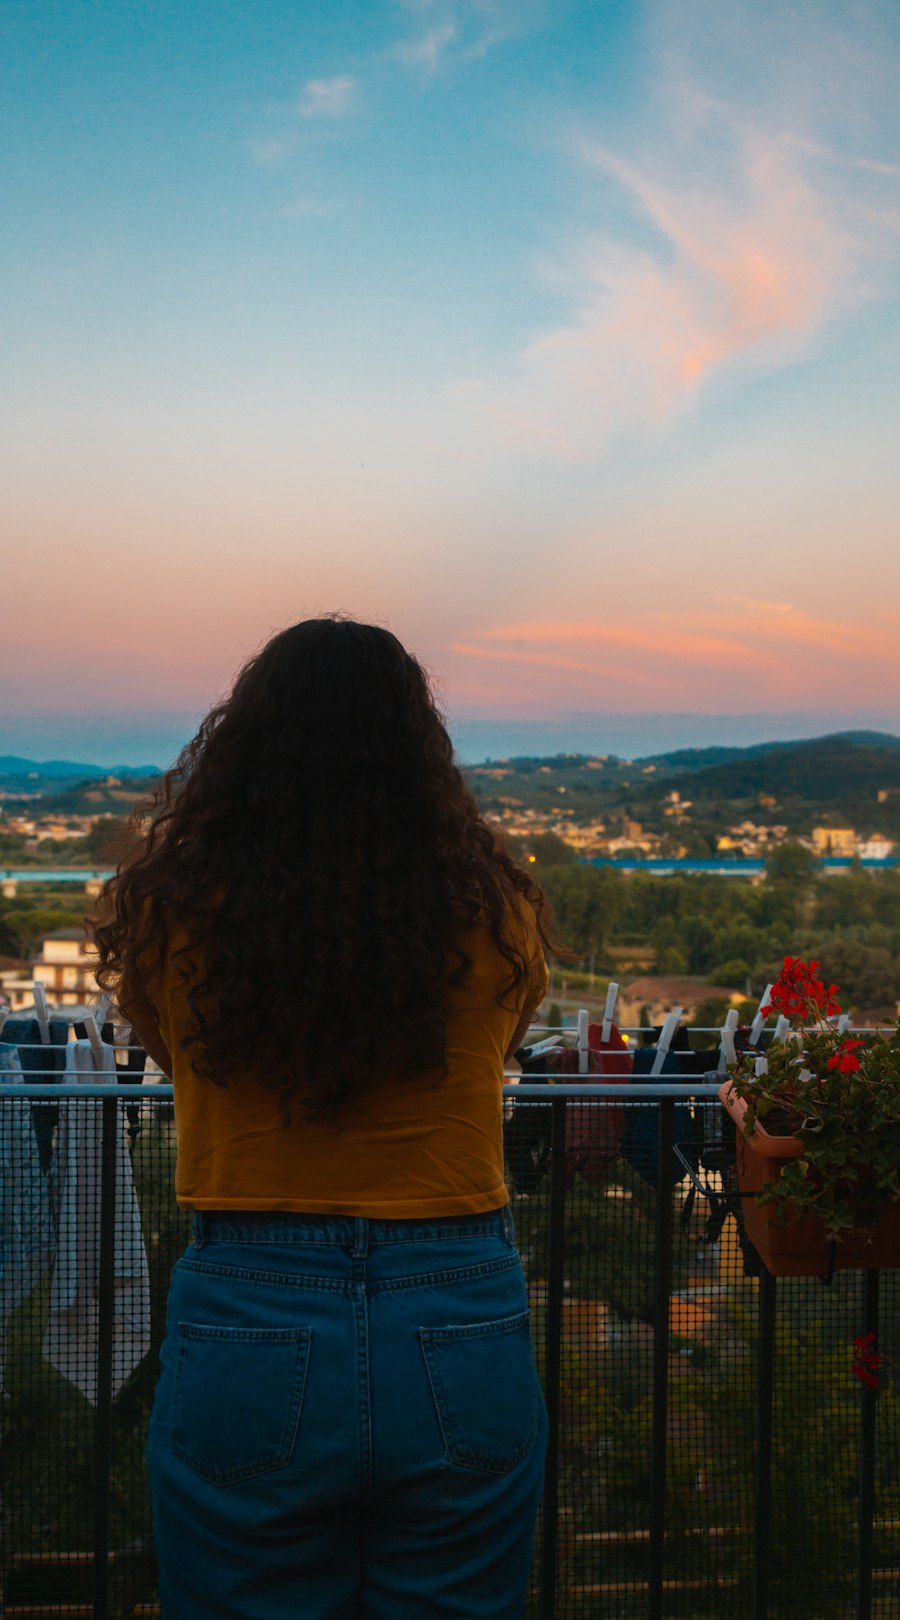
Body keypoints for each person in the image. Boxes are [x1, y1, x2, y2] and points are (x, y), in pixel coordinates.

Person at [94, 617, 557, 1620]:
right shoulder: (498, 913)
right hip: (457, 1304)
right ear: (417, 747)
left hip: (250, 1306)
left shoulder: (173, 910)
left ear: (244, 739)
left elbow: (176, 1059)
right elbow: (502, 1044)